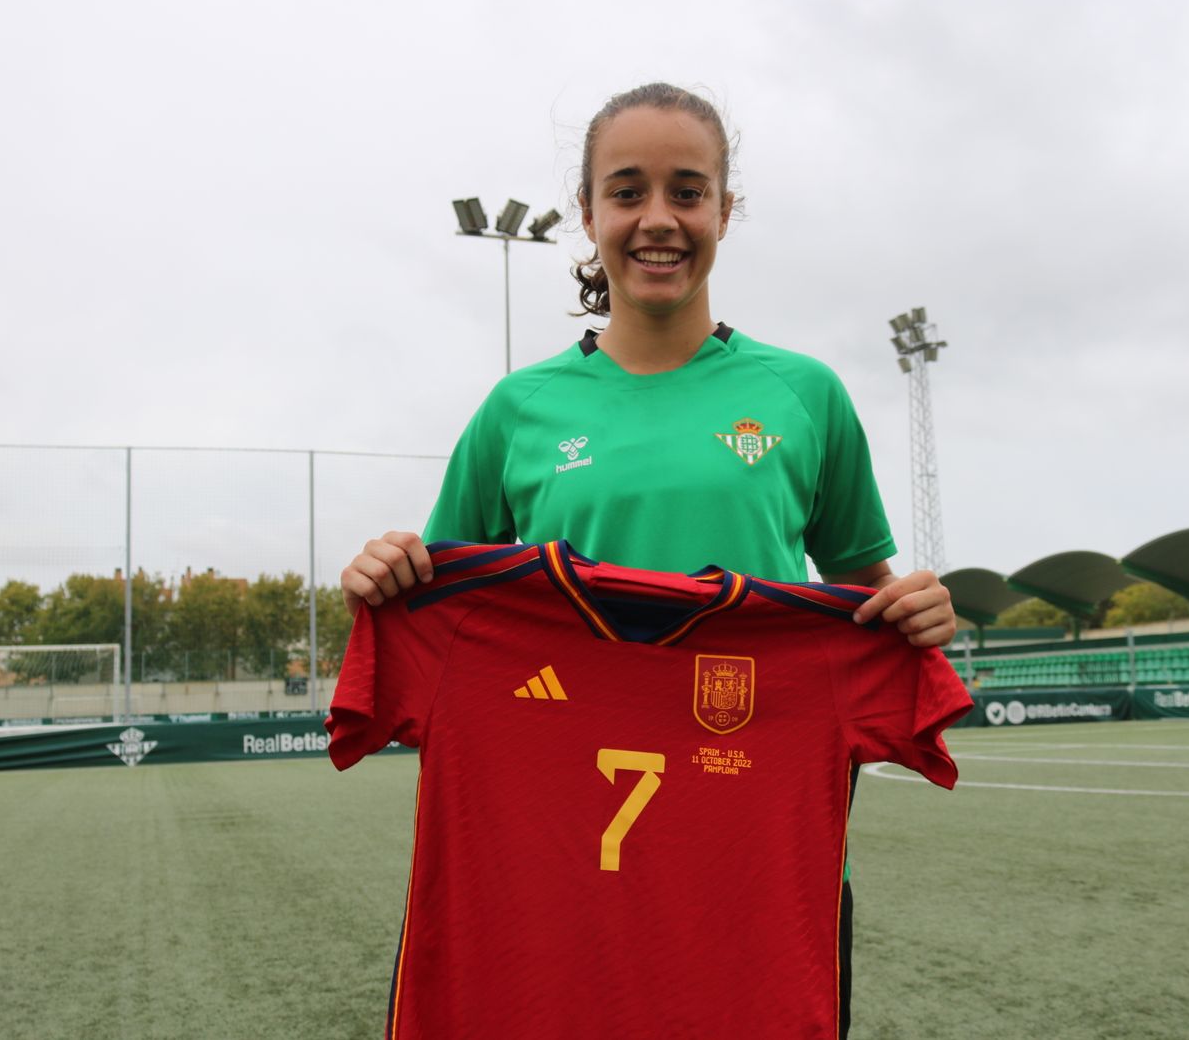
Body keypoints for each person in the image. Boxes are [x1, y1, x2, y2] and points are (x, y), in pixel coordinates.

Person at [339, 82, 957, 1036]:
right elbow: (447, 606)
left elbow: (864, 599)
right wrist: (387, 577)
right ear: (586, 214)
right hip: (558, 865)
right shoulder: (519, 408)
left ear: (725, 210)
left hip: (747, 846)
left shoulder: (807, 397)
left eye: (688, 191)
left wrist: (913, 610)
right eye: (627, 192)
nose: (658, 219)